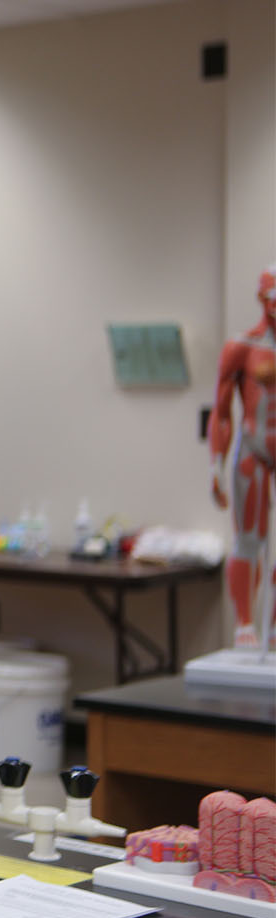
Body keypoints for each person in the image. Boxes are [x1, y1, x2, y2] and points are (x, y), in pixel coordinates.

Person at [210, 264, 276, 649]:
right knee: (249, 539)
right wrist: (214, 466)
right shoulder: (242, 347)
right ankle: (245, 624)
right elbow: (220, 412)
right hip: (253, 447)